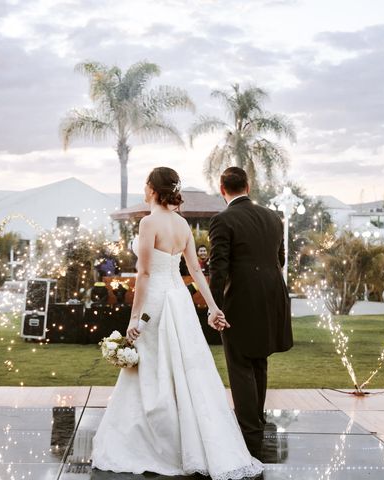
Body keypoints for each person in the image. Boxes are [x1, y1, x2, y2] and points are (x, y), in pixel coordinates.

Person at [91, 167, 262, 479]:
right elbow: (196, 271)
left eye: (146, 184)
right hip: (179, 300)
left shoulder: (148, 222)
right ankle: (191, 442)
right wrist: (212, 307)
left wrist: (133, 317)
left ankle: (154, 444)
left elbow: (143, 274)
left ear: (154, 189)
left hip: (155, 300)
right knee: (184, 370)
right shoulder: (182, 224)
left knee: (152, 369)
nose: (143, 188)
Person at [208, 166, 293, 458]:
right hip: (273, 296)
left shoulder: (223, 219)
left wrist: (214, 305)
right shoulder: (273, 217)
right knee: (259, 361)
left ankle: (249, 434)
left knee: (241, 363)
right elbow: (279, 259)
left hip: (242, 299)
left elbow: (218, 268)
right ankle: (256, 420)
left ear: (222, 189)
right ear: (248, 185)